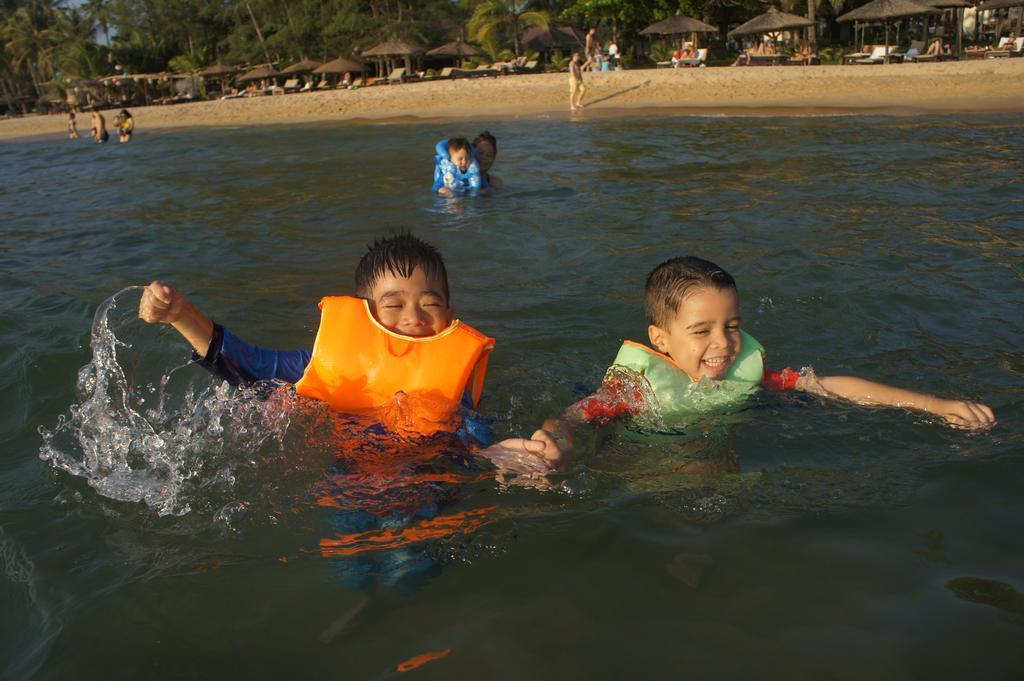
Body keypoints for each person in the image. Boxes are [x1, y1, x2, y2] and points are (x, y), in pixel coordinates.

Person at [497, 256, 996, 469]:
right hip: (642, 451)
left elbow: (828, 385)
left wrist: (933, 404)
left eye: (732, 326)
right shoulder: (636, 388)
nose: (724, 344)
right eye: (702, 331)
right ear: (661, 339)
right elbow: (575, 415)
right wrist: (551, 444)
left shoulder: (746, 373)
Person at [136, 234, 547, 457]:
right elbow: (248, 366)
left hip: (430, 484)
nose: (414, 317)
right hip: (351, 485)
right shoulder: (331, 360)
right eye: (394, 304)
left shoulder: (454, 377)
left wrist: (491, 453)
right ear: (364, 310)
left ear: (450, 311)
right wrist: (182, 316)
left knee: (414, 571)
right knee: (354, 569)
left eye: (431, 303)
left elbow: (472, 434)